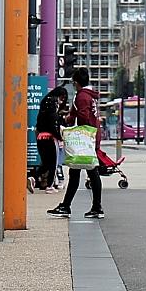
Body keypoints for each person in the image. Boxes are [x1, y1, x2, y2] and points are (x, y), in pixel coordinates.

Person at [49, 66, 104, 219]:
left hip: (85, 140)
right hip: (92, 136)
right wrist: (69, 117)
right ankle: (68, 206)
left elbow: (83, 116)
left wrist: (73, 124)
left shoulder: (82, 96)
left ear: (76, 82)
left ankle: (94, 207)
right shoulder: (90, 96)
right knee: (79, 172)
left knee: (90, 172)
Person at [34, 86, 68, 190]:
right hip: (50, 137)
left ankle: (32, 178)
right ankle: (50, 185)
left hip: (40, 135)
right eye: (62, 98)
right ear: (59, 96)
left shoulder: (45, 102)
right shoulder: (53, 102)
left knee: (45, 162)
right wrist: (59, 136)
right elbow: (53, 122)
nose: (62, 101)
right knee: (53, 162)